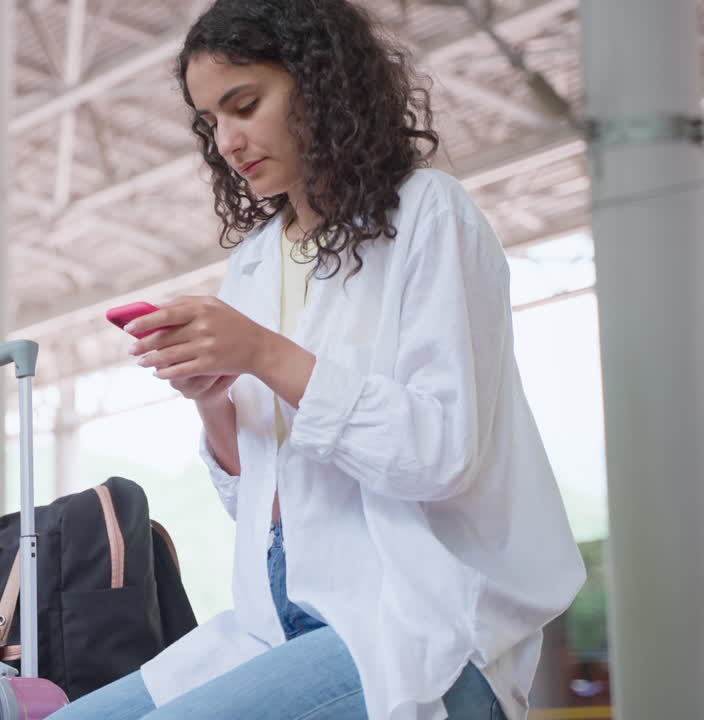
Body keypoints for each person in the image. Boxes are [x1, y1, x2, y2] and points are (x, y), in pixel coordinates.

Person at [47, 1, 586, 719]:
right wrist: (212, 398)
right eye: (211, 121)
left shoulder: (428, 214)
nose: (229, 140)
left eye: (245, 105)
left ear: (321, 82)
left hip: (412, 615)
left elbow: (440, 455)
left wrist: (264, 352)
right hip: (276, 614)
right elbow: (255, 500)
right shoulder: (255, 261)